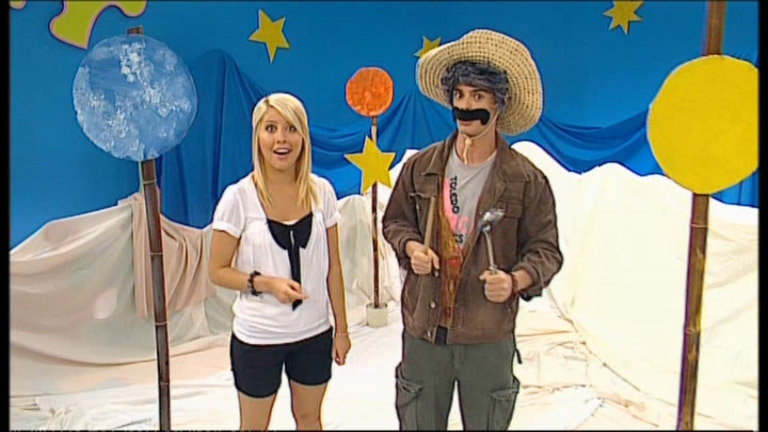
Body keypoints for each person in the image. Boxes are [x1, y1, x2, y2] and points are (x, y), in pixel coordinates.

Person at [382, 29, 563, 430]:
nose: (466, 107)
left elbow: (546, 251)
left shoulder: (525, 180)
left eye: (478, 96)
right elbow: (395, 221)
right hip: (425, 330)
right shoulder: (421, 167)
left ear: (499, 103)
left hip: (487, 334)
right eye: (460, 95)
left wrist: (515, 280)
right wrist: (411, 247)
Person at [208, 92, 351, 431]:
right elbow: (217, 270)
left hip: (314, 334)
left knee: (310, 419)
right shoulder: (238, 198)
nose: (281, 139)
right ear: (258, 136)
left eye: (291, 128)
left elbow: (334, 268)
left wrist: (342, 330)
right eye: (271, 128)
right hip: (258, 338)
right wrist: (267, 284)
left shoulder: (322, 192)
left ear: (304, 136)